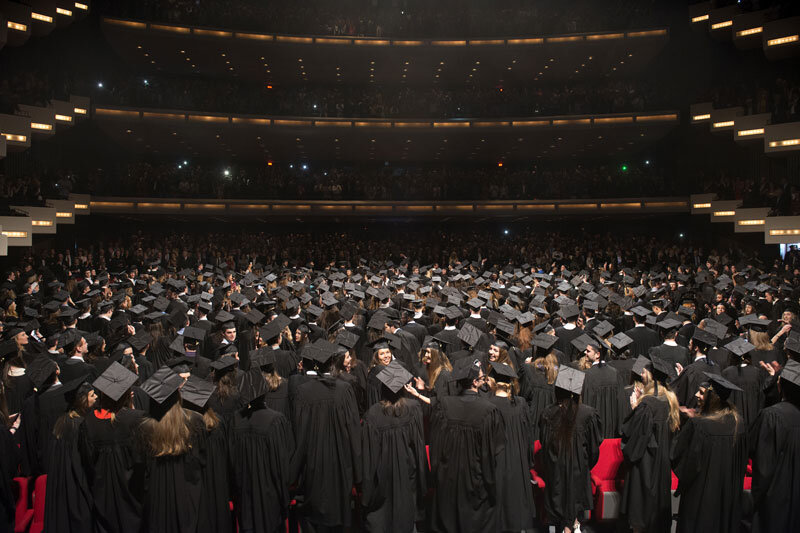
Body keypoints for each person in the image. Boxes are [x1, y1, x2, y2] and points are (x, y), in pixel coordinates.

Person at [290, 339, 361, 532]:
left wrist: (293, 474)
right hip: (341, 460)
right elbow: (353, 430)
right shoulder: (344, 390)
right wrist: (359, 472)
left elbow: (300, 433)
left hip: (314, 460)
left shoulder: (303, 392)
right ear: (332, 363)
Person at [429, 358, 505, 532]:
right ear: (475, 382)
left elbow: (435, 444)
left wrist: (437, 474)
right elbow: (493, 451)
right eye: (482, 377)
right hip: (475, 479)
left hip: (447, 476)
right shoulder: (488, 410)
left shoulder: (444, 405)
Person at [671, 373, 748, 533]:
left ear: (711, 397)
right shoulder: (738, 424)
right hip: (728, 498)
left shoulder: (699, 426)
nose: (696, 395)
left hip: (701, 497)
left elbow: (678, 458)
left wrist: (682, 428)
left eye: (701, 392)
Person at [361, 360, 427, 532]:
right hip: (408, 470)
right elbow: (419, 446)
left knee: (382, 519)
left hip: (382, 473)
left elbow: (369, 455)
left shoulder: (373, 413)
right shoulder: (413, 408)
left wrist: (366, 490)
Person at [79, 361, 145, 533]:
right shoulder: (136, 419)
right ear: (127, 395)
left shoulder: (89, 422)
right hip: (132, 490)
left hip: (102, 490)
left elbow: (86, 460)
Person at [139, 366, 206, 533]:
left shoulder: (145, 426)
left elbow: (143, 468)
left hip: (156, 495)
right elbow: (200, 461)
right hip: (186, 491)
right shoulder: (194, 421)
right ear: (178, 395)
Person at [620, 355, 680, 533]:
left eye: (645, 372)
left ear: (652, 377)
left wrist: (635, 410)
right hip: (662, 466)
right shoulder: (670, 401)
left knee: (642, 514)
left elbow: (636, 440)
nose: (642, 375)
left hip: (645, 467)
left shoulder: (647, 404)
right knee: (656, 516)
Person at [539, 366, 602, 533]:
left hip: (555, 467)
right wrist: (585, 464)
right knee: (574, 501)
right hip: (578, 468)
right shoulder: (588, 413)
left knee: (558, 500)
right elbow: (594, 448)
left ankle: (563, 527)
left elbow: (545, 445)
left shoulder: (548, 413)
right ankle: (572, 525)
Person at [230, 367, 294, 533]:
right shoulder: (275, 420)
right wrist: (284, 497)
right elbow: (280, 465)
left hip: (244, 495)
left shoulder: (236, 420)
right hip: (269, 496)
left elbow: (232, 461)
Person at [749, 358, 800, 532]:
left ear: (780, 387)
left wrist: (755, 498)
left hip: (774, 496)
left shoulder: (772, 416)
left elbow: (763, 463)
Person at [486, 361, 536, 532]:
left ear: (493, 381)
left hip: (495, 459)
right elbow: (528, 435)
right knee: (515, 497)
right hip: (517, 458)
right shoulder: (520, 403)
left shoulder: (487, 403)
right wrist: (528, 461)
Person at [181, 374, 235, 533]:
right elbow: (228, 456)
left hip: (197, 489)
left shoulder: (187, 429)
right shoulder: (218, 423)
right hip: (219, 485)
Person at [44, 379, 96, 533]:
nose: (96, 398)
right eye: (92, 395)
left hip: (61, 485)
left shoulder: (62, 421)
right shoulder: (80, 426)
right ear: (82, 400)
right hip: (77, 485)